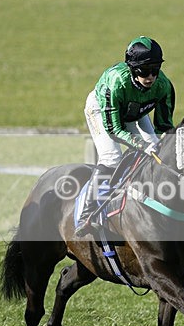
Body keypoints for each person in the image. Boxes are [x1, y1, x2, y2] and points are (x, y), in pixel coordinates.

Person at [75, 36, 176, 236]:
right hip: (102, 110)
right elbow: (114, 129)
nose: (150, 77)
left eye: (155, 70)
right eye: (144, 71)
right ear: (132, 69)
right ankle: (86, 214)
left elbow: (164, 126)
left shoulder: (164, 86)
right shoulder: (116, 82)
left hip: (134, 110)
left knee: (156, 150)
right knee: (112, 157)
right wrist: (140, 144)